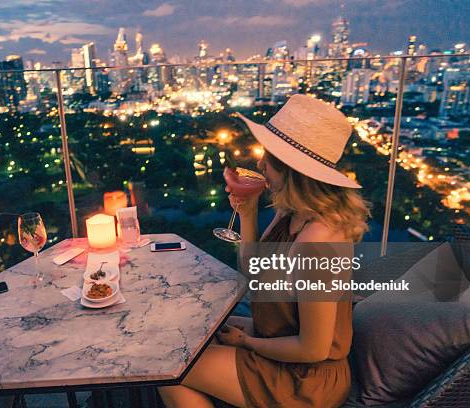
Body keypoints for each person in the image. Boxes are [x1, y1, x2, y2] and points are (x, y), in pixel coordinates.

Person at [158, 94, 370, 408]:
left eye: (268, 158)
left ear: (292, 170)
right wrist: (248, 212)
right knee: (183, 338)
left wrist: (246, 342)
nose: (259, 165)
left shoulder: (318, 244)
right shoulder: (294, 213)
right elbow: (254, 269)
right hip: (278, 344)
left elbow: (313, 349)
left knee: (168, 367)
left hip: (305, 380)